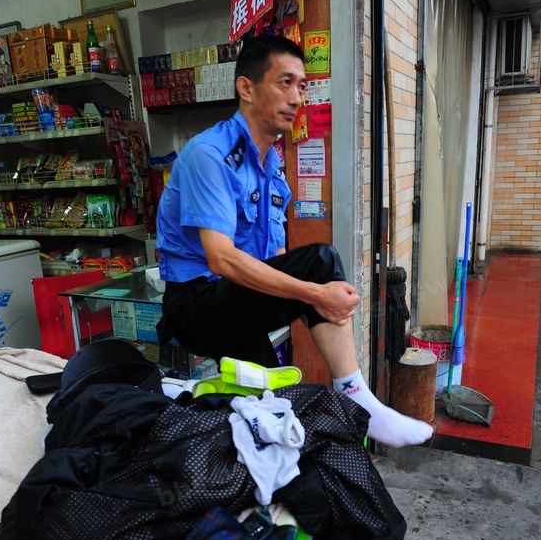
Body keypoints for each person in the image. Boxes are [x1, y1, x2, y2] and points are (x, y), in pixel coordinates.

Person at [156, 35, 432, 448]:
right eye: (285, 82)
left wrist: (305, 298)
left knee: (268, 407)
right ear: (246, 88)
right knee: (321, 260)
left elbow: (276, 256)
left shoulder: (271, 166)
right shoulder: (209, 155)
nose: (297, 97)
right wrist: (313, 292)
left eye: (302, 86)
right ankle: (358, 397)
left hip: (235, 301)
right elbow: (221, 259)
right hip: (195, 304)